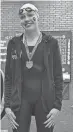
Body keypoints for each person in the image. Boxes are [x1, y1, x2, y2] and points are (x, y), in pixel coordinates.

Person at [4, 3, 63, 132]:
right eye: (22, 17)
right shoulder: (13, 44)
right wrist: (7, 106)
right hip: (20, 100)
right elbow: (8, 77)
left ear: (37, 16)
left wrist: (57, 105)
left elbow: (58, 76)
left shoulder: (51, 43)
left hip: (45, 100)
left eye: (30, 15)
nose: (26, 19)